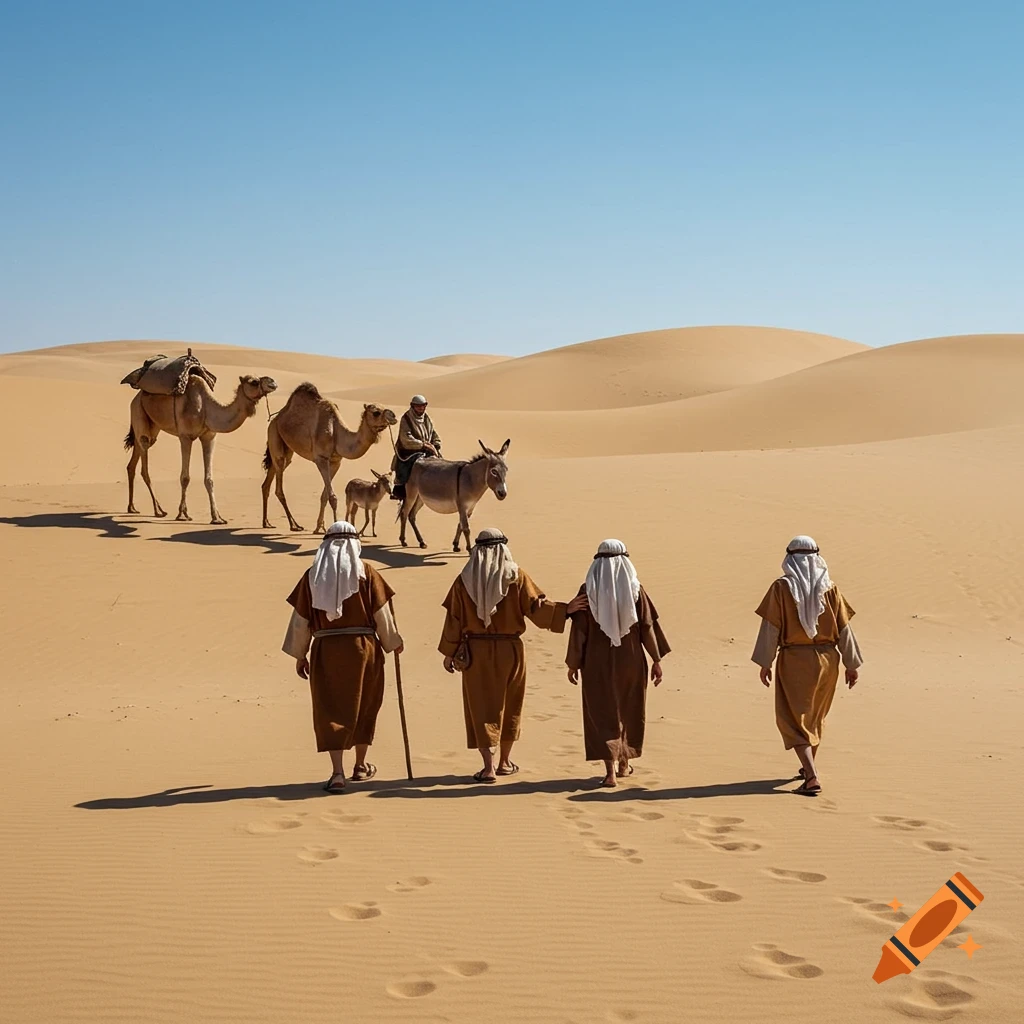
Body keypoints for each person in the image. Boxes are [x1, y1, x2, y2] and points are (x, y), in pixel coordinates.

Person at [438, 527, 589, 782]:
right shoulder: (515, 576)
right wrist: (565, 609)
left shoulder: (463, 580)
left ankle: (488, 767)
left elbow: (454, 619)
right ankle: (505, 763)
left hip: (475, 652)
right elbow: (537, 609)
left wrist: (449, 652)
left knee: (481, 705)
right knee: (510, 704)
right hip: (511, 651)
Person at [282, 520, 404, 793]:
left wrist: (300, 654)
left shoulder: (313, 576)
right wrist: (393, 641)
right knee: (364, 704)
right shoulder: (367, 573)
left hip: (326, 651)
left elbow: (300, 621)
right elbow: (381, 613)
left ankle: (337, 773)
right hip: (363, 650)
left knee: (330, 708)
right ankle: (360, 765)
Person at [751, 535, 863, 796]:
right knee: (814, 716)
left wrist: (765, 662)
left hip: (795, 660)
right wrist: (851, 664)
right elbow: (844, 629)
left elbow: (771, 628)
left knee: (794, 719)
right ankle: (807, 766)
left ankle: (811, 777)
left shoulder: (781, 588)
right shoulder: (829, 588)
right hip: (827, 661)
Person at [565, 539, 671, 787]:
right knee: (629, 708)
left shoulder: (588, 590)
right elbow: (647, 626)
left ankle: (610, 772)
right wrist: (656, 659)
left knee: (601, 711)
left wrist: (573, 663)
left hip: (596, 660)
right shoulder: (635, 588)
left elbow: (579, 631)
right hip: (630, 659)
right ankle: (624, 764)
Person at [391, 395, 441, 501]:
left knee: (440, 464)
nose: (421, 408)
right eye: (418, 406)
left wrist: (436, 443)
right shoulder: (406, 419)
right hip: (409, 451)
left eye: (423, 406)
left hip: (427, 448)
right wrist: (423, 445)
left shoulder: (426, 418)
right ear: (413, 406)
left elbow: (432, 432)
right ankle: (400, 491)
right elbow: (406, 438)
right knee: (410, 467)